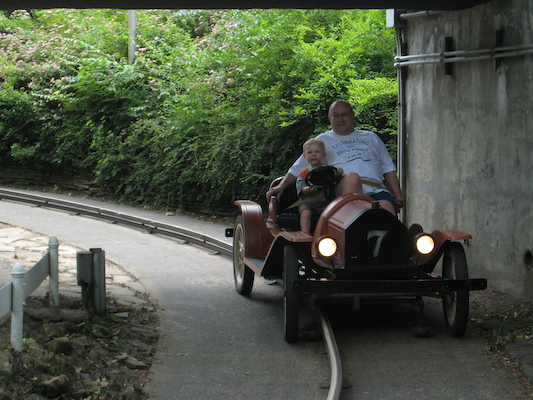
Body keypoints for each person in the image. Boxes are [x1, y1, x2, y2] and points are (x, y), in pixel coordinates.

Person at [266, 100, 404, 215]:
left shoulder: (371, 137)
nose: (340, 119)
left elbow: (388, 168)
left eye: (344, 115)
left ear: (352, 115)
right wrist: (281, 186)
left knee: (388, 211)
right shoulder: (321, 141)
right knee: (352, 177)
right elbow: (299, 167)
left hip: (375, 189)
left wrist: (398, 195)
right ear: (329, 118)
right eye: (335, 115)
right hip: (341, 189)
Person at [295, 138, 348, 234]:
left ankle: (331, 234)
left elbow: (335, 177)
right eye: (310, 152)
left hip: (325, 201)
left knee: (333, 212)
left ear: (323, 155)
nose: (313, 154)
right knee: (305, 213)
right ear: (305, 156)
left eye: (317, 152)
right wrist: (308, 190)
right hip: (309, 202)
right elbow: (301, 188)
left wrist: (339, 172)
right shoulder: (304, 173)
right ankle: (305, 234)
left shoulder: (328, 169)